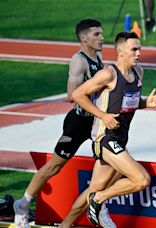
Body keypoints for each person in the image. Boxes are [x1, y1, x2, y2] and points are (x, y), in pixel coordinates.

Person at [13, 19, 117, 228]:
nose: (102, 38)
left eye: (101, 33)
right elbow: (72, 95)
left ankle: (100, 204)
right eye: (96, 34)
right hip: (78, 122)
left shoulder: (97, 56)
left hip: (96, 122)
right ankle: (22, 204)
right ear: (83, 38)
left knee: (113, 163)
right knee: (54, 166)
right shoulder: (79, 61)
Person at [71, 31, 156, 226]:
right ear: (120, 52)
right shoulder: (108, 74)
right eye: (134, 49)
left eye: (140, 49)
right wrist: (102, 115)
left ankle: (66, 224)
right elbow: (78, 94)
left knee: (92, 189)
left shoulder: (139, 72)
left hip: (120, 139)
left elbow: (128, 103)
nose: (138, 53)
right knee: (142, 180)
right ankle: (100, 201)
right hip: (105, 138)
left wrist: (146, 103)